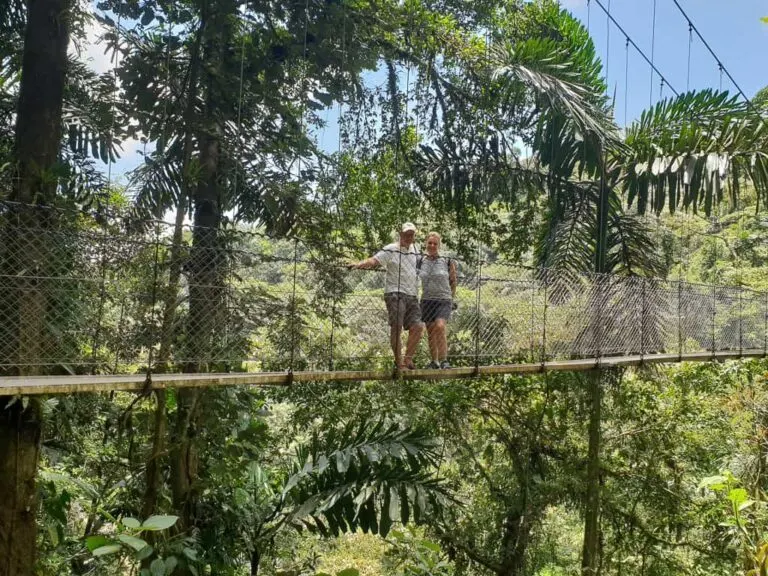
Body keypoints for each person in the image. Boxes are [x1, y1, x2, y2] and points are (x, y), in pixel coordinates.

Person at [350, 223, 424, 369]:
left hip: (412, 294)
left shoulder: (416, 250)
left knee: (418, 326)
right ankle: (399, 362)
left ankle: (407, 359)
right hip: (395, 293)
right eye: (406, 234)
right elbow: (374, 260)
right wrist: (359, 264)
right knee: (396, 327)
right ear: (400, 234)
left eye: (412, 234)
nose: (409, 237)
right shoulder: (391, 249)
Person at [419, 232, 457, 369]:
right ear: (426, 244)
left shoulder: (446, 260)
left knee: (440, 326)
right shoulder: (421, 261)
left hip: (444, 299)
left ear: (439, 245)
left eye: (435, 243)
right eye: (430, 243)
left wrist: (451, 298)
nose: (432, 245)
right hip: (427, 300)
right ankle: (434, 361)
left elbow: (453, 280)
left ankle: (444, 360)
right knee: (430, 331)